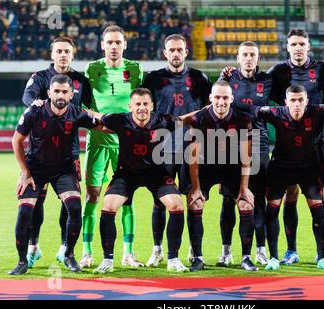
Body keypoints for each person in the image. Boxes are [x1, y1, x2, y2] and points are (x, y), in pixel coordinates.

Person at [91, 88, 196, 274]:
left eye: (145, 104)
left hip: (157, 173)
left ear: (152, 106)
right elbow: (95, 115)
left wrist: (209, 108)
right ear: (130, 106)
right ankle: (107, 260)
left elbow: (186, 119)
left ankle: (173, 258)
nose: (141, 108)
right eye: (137, 104)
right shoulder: (120, 120)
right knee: (108, 205)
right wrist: (72, 107)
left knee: (177, 205)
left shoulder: (163, 120)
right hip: (126, 174)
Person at [9, 75, 99, 275]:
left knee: (75, 207)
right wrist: (25, 173)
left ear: (71, 94)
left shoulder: (77, 113)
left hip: (64, 170)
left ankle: (69, 256)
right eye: (56, 91)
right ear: (49, 93)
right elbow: (16, 141)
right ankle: (22, 261)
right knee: (25, 211)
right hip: (36, 169)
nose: (60, 95)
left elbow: (102, 124)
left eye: (64, 91)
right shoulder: (34, 111)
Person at [267, 28, 324, 265]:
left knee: (318, 196)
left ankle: (323, 252)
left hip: (315, 141)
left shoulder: (321, 68)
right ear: (287, 47)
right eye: (294, 44)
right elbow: (255, 84)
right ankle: (291, 250)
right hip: (287, 140)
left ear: (308, 46)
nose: (298, 48)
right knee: (290, 193)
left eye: (302, 44)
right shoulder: (278, 71)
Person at [21, 36, 93, 268]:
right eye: (59, 51)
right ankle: (34, 246)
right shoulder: (40, 78)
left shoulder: (82, 81)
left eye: (67, 51)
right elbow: (27, 97)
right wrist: (36, 104)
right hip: (40, 154)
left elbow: (87, 109)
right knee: (37, 203)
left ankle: (65, 248)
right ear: (52, 54)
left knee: (69, 204)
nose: (63, 55)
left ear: (73, 54)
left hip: (68, 155)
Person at [141, 34, 212, 267]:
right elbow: (144, 110)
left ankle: (194, 249)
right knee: (159, 201)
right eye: (171, 50)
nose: (175, 54)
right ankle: (158, 249)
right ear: (165, 53)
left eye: (179, 50)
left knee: (194, 200)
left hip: (192, 148)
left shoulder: (199, 78)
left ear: (186, 52)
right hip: (162, 148)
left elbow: (210, 107)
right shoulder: (153, 79)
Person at [252, 85, 324, 270]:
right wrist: (259, 138)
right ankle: (273, 257)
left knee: (318, 211)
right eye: (293, 100)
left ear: (307, 101)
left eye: (300, 100)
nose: (296, 104)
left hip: (309, 169)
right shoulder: (275, 112)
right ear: (285, 102)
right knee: (272, 211)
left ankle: (322, 257)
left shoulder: (319, 110)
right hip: (281, 168)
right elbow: (253, 112)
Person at [81, 25, 143, 269]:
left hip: (125, 144)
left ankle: (128, 253)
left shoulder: (135, 69)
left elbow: (139, 102)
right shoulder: (92, 69)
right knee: (92, 195)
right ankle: (86, 252)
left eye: (118, 42)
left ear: (125, 45)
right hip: (97, 141)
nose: (114, 46)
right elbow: (84, 106)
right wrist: (102, 118)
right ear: (102, 45)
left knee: (126, 198)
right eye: (110, 42)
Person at [186, 80, 257, 272]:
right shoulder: (198, 119)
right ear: (210, 99)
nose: (221, 102)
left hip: (232, 168)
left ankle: (246, 258)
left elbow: (246, 157)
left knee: (246, 203)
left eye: (225, 97)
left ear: (231, 99)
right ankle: (198, 258)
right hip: (206, 167)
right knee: (195, 202)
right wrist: (195, 187)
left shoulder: (243, 120)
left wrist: (244, 188)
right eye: (217, 97)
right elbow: (193, 158)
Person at [217, 41, 275, 267]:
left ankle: (260, 250)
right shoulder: (228, 80)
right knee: (228, 199)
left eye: (253, 54)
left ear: (258, 58)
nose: (249, 58)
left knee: (258, 198)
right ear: (238, 58)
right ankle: (226, 251)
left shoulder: (268, 81)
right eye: (245, 54)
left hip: (259, 144)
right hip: (231, 144)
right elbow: (216, 105)